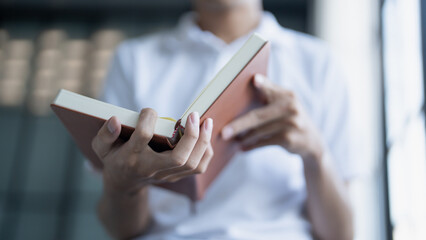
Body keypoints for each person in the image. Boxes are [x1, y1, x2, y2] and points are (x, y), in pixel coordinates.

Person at [91, 0, 358, 239]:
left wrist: (315, 153)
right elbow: (122, 231)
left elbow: (341, 234)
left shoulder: (320, 62)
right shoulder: (132, 61)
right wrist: (124, 182)